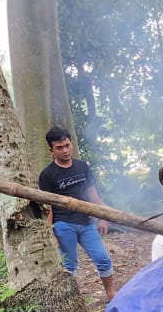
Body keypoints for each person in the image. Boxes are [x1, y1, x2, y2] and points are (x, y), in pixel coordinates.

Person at [38, 126, 116, 302]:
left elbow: (93, 195)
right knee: (69, 265)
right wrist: (50, 232)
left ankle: (111, 293)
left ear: (71, 144)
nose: (65, 150)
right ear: (51, 150)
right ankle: (72, 301)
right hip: (63, 224)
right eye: (59, 147)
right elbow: (48, 207)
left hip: (87, 223)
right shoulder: (47, 175)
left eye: (67, 145)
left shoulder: (82, 167)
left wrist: (102, 217)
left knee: (103, 258)